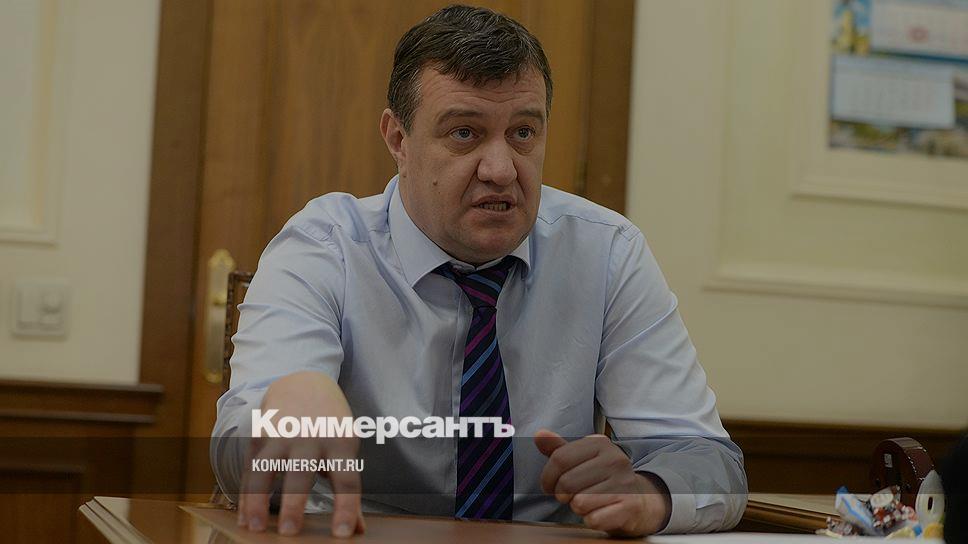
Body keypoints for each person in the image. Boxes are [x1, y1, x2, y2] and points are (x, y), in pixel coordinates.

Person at [211, 4, 747, 539]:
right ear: (398, 139)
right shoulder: (324, 247)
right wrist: (282, 416)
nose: (500, 169)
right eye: (464, 133)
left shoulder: (605, 252)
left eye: (523, 133)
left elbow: (706, 458)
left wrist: (649, 492)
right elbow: (238, 459)